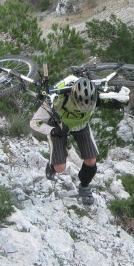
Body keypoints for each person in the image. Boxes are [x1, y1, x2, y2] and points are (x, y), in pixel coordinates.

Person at [30, 76, 101, 205]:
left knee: (91, 161)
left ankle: (84, 186)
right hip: (59, 126)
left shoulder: (97, 94)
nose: (82, 109)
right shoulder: (57, 99)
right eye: (79, 106)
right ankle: (52, 165)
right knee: (60, 167)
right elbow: (34, 123)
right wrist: (52, 131)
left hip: (81, 125)